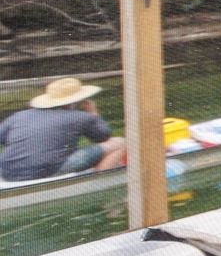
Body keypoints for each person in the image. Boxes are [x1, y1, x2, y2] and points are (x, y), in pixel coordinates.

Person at [0, 77, 128, 181]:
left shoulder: (20, 115)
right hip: (46, 172)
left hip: (7, 172)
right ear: (76, 100)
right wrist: (93, 114)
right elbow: (104, 137)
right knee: (120, 143)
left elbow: (2, 138)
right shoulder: (80, 117)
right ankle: (99, 183)